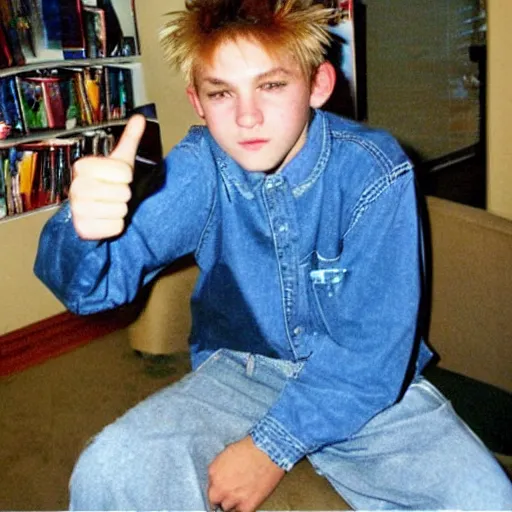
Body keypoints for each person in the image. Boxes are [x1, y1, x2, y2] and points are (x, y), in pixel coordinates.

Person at [34, 1, 512, 510]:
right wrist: (82, 228)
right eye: (222, 93)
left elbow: (373, 351)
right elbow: (91, 289)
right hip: (239, 373)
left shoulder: (376, 170)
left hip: (366, 388)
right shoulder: (201, 166)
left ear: (318, 85)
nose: (247, 116)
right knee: (111, 468)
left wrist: (270, 447)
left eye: (272, 85)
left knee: (484, 496)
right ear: (198, 101)